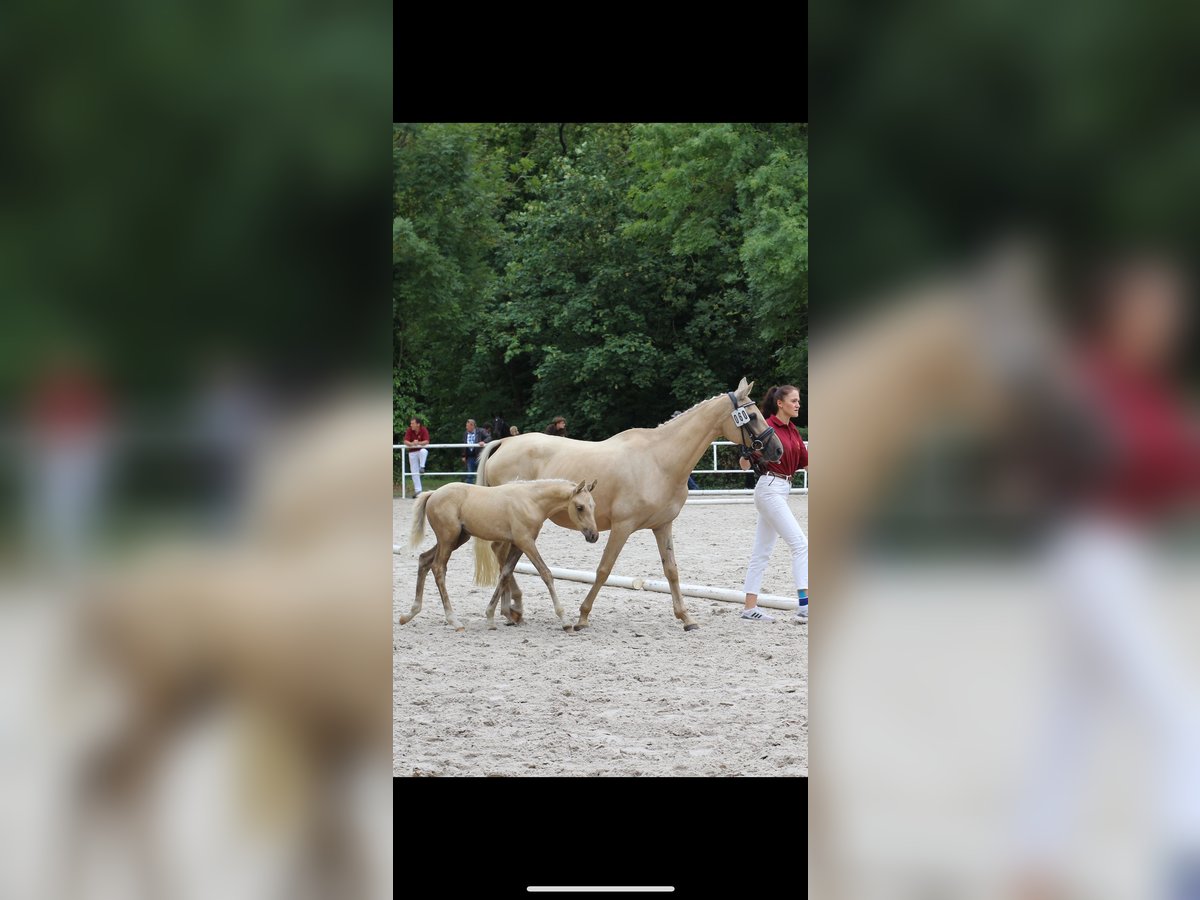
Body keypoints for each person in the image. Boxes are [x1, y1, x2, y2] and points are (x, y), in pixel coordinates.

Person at [740, 384, 808, 623]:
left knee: (762, 552)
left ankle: (750, 608)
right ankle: (805, 606)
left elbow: (806, 463)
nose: (798, 404)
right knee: (801, 544)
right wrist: (746, 453)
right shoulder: (766, 426)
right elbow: (745, 464)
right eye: (794, 400)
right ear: (780, 403)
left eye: (798, 400)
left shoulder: (793, 431)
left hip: (782, 490)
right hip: (769, 488)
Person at [403, 417, 430, 496]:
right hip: (412, 452)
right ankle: (418, 491)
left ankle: (422, 467)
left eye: (413, 423)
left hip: (420, 450)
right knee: (414, 471)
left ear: (418, 424)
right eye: (411, 423)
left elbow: (427, 441)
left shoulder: (423, 429)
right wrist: (412, 444)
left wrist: (418, 443)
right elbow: (405, 441)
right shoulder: (409, 430)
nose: (411, 425)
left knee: (423, 451)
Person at [462, 418, 486, 484]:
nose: (466, 427)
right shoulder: (465, 433)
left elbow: (489, 437)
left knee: (481, 472)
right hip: (470, 456)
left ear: (472, 425)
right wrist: (463, 455)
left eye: (467, 426)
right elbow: (464, 444)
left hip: (479, 456)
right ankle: (469, 487)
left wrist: (483, 442)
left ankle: (482, 486)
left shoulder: (481, 431)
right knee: (470, 474)